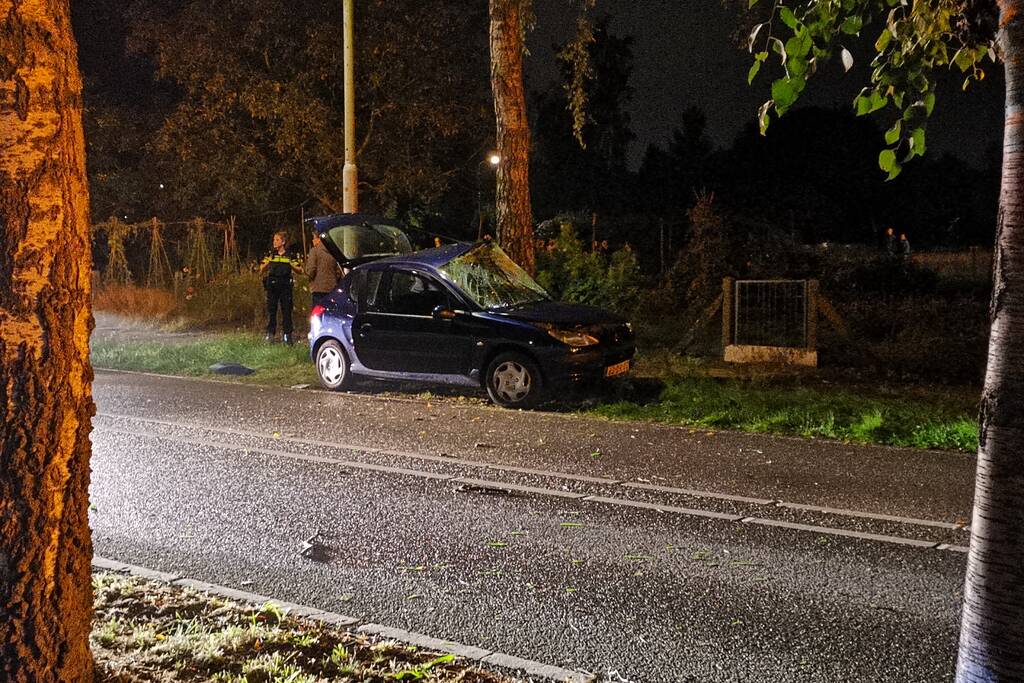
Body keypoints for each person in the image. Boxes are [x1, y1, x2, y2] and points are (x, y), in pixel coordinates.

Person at [260, 231, 303, 344]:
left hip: (285, 285)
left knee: (286, 310)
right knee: (271, 310)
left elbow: (299, 270)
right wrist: (267, 263)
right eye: (274, 240)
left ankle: (287, 335)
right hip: (272, 285)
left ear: (283, 242)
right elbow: (261, 269)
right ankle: (270, 334)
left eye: (277, 240)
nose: (275, 242)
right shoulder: (271, 254)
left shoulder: (290, 255)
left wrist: (291, 264)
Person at [305, 230, 342, 307]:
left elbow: (311, 270)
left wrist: (308, 278)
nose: (312, 240)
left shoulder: (314, 251)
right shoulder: (333, 252)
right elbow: (338, 272)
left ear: (319, 239)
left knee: (318, 314)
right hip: (332, 288)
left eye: (314, 238)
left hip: (318, 288)